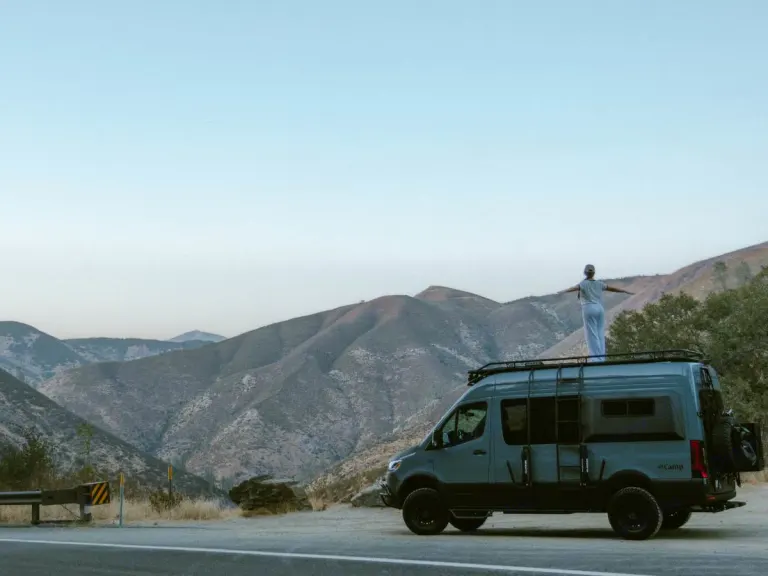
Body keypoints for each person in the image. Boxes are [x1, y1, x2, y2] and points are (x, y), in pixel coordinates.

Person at [560, 264, 634, 361]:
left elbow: (574, 288)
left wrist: (562, 291)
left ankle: (596, 359)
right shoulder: (599, 284)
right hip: (599, 309)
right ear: (594, 273)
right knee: (599, 333)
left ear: (585, 272)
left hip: (589, 308)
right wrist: (624, 291)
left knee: (592, 334)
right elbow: (612, 288)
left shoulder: (583, 284)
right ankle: (602, 357)